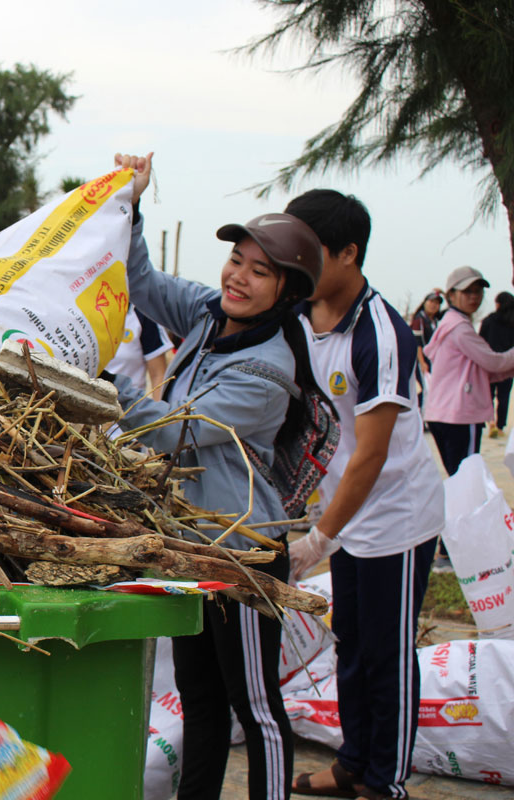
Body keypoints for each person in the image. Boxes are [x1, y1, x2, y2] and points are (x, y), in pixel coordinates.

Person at [110, 153, 328, 800]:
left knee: (255, 707)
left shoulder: (267, 370)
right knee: (201, 700)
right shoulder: (211, 313)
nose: (240, 277)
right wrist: (131, 202)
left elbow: (175, 426)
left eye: (261, 273)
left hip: (243, 553)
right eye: (238, 260)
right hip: (191, 542)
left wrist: (102, 389)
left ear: (287, 292)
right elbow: (141, 282)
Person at [284, 189, 444, 800]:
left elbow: (372, 453)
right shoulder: (301, 312)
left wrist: (320, 539)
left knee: (386, 655)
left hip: (395, 519)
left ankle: (385, 782)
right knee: (348, 641)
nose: (297, 263)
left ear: (349, 253)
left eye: (311, 252)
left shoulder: (381, 333)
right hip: (346, 514)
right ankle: (352, 762)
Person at [423, 267, 514, 474]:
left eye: (478, 291)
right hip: (461, 415)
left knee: (459, 479)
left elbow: (481, 370)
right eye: (467, 292)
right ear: (451, 295)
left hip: (442, 413)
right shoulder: (460, 329)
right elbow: (493, 362)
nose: (474, 297)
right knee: (468, 479)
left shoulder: (449, 323)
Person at [100, 303, 172, 400]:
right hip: (87, 405)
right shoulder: (83, 306)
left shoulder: (142, 313)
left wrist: (161, 412)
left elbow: (158, 374)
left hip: (128, 407)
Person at [479, 290, 514, 437]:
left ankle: (491, 421)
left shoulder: (489, 320)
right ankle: (500, 427)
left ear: (498, 304)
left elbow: (480, 341)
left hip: (490, 363)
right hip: (509, 364)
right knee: (504, 396)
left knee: (488, 395)